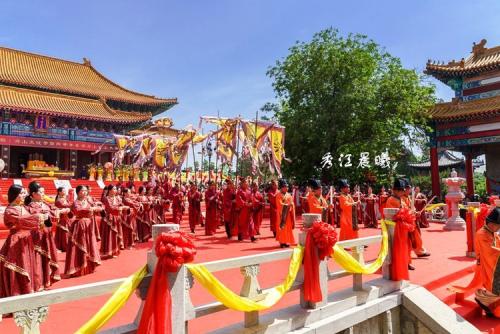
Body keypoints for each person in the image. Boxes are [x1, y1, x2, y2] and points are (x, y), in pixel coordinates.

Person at [0, 185, 48, 297]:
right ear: (14, 194)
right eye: (21, 193)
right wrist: (38, 217)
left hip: (27, 240)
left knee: (28, 265)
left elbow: (31, 221)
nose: (23, 196)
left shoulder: (23, 208)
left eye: (24, 193)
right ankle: (18, 294)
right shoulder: (10, 210)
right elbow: (21, 221)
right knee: (20, 267)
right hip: (17, 242)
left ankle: (28, 292)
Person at [25, 181, 66, 290]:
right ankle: (37, 283)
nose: (43, 195)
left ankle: (45, 281)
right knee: (38, 259)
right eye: (41, 192)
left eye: (44, 192)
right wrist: (48, 215)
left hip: (47, 235)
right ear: (33, 194)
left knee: (47, 258)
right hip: (37, 236)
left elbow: (54, 210)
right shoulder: (30, 206)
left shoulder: (45, 204)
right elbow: (36, 216)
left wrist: (59, 211)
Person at [64, 185, 102, 277]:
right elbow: (78, 211)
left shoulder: (89, 201)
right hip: (79, 225)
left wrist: (97, 208)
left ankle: (88, 267)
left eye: (85, 191)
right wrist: (90, 209)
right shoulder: (75, 203)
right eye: (82, 191)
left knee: (89, 244)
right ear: (78, 192)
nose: (85, 193)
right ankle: (77, 267)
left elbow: (100, 207)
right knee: (79, 246)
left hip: (88, 225)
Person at [385, 178, 416, 279]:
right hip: (395, 228)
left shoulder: (401, 199)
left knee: (406, 246)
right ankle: (397, 268)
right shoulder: (391, 200)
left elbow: (406, 210)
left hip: (403, 228)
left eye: (402, 190)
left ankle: (406, 263)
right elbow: (393, 214)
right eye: (400, 190)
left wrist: (412, 213)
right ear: (394, 190)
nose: (401, 192)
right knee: (396, 249)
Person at [474, 208, 500, 318]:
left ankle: (489, 306)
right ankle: (482, 299)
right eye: (495, 225)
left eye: (498, 225)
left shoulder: (491, 232)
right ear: (489, 223)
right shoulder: (482, 234)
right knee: (495, 287)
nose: (497, 227)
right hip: (487, 264)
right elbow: (490, 251)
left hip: (492, 263)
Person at [403, 181, 430, 258]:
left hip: (412, 220)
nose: (409, 191)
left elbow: (412, 208)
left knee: (417, 236)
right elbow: (404, 210)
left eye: (409, 189)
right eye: (407, 189)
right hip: (405, 222)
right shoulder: (401, 199)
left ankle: (420, 251)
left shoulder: (408, 197)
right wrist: (413, 213)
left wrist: (416, 212)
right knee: (410, 239)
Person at [101, 185, 127, 258]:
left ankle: (115, 250)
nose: (115, 190)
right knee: (110, 235)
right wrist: (120, 208)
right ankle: (109, 251)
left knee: (116, 234)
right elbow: (110, 208)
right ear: (109, 190)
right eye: (114, 189)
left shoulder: (118, 198)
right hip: (110, 218)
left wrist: (124, 207)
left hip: (117, 218)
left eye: (116, 189)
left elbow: (122, 205)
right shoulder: (106, 198)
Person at [276, 179, 295, 247]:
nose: (287, 188)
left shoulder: (289, 195)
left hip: (288, 214)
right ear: (281, 187)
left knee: (287, 228)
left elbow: (291, 202)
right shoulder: (278, 195)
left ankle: (286, 241)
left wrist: (291, 204)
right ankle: (282, 242)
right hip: (281, 214)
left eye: (287, 186)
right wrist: (287, 205)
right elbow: (279, 204)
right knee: (282, 227)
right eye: (285, 187)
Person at [236, 177, 256, 242]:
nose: (247, 184)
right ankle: (240, 235)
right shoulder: (239, 191)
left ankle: (252, 236)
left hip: (248, 209)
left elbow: (251, 199)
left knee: (251, 223)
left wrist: (251, 203)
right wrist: (245, 204)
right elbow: (239, 200)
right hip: (243, 209)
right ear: (242, 184)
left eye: (247, 182)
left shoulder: (249, 191)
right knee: (242, 223)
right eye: (245, 183)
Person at [54, 187, 74, 252]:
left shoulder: (65, 199)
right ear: (59, 192)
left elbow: (69, 205)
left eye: (65, 191)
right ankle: (65, 246)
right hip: (62, 219)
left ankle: (67, 245)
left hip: (67, 218)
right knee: (64, 232)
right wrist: (72, 205)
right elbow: (66, 206)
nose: (65, 192)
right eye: (63, 191)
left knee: (68, 232)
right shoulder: (58, 201)